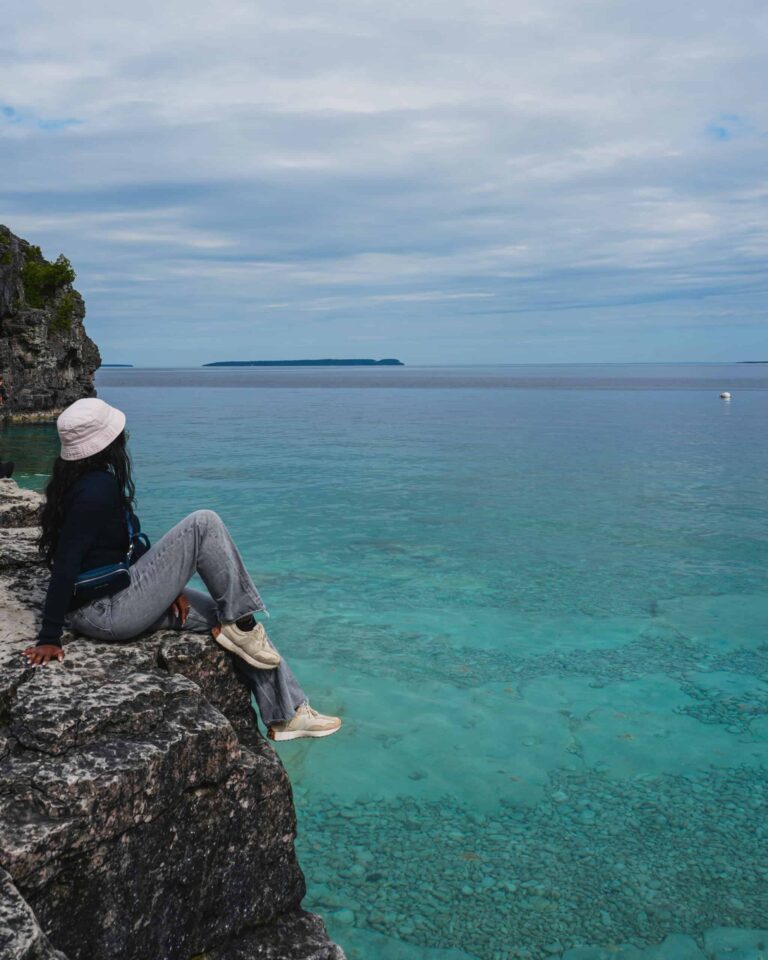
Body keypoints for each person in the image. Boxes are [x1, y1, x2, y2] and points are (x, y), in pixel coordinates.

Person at [21, 397, 342, 742]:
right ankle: (244, 623)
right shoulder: (94, 490)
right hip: (106, 612)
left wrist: (166, 587)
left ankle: (287, 713)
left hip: (117, 597)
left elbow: (128, 544)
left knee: (228, 624)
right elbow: (67, 564)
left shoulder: (84, 480)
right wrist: (49, 637)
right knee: (203, 524)